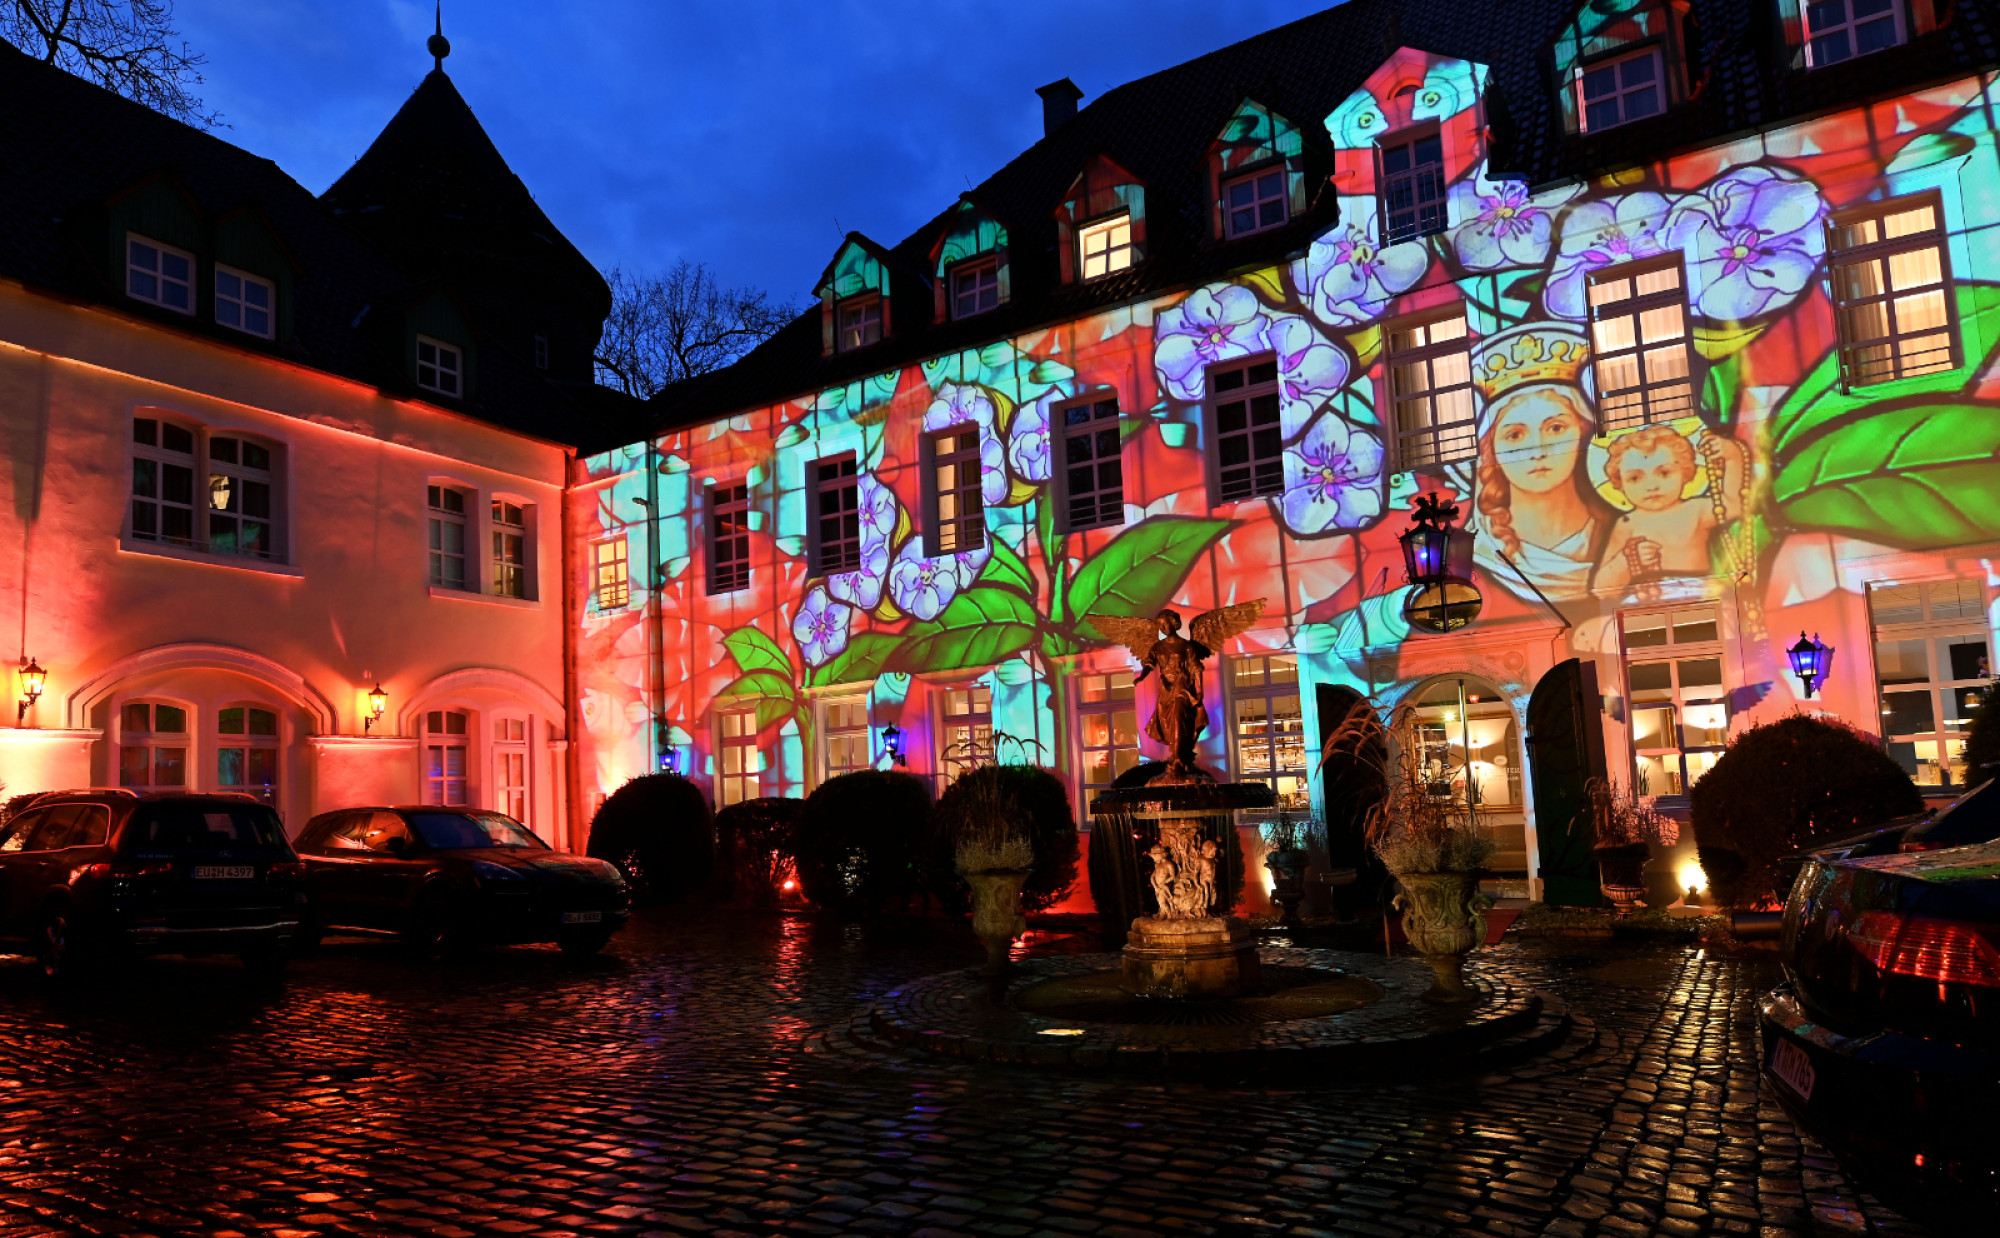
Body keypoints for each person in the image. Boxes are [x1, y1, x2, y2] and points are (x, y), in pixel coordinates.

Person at [1474, 382, 1614, 601]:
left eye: (1556, 428)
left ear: (1583, 435)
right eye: (1514, 435)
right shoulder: (1479, 549)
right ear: (1492, 452)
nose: (1537, 451)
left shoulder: (1619, 534)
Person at [1592, 425, 1747, 592]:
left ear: (1685, 471)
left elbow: (1733, 507)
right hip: (1650, 600)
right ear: (1619, 482)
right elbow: (1602, 589)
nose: (1651, 486)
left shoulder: (1696, 509)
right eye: (1635, 478)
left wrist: (1733, 457)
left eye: (1664, 473)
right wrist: (1627, 560)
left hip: (1698, 594)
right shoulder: (1627, 524)